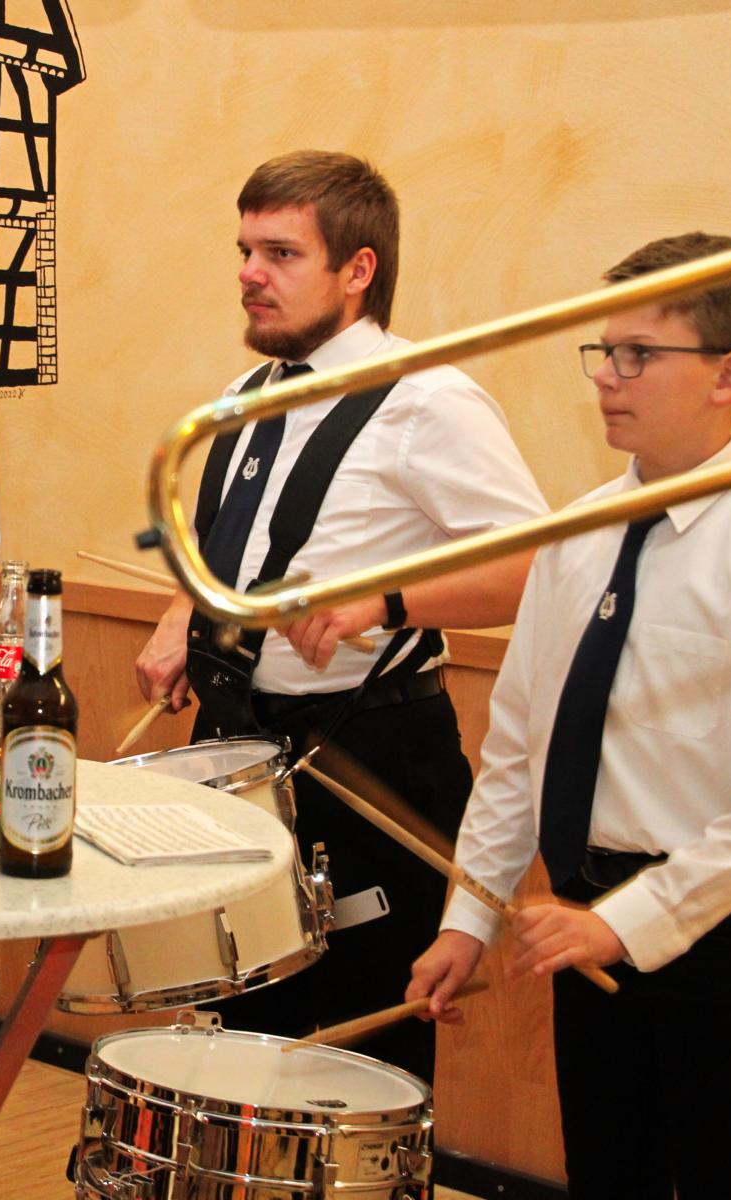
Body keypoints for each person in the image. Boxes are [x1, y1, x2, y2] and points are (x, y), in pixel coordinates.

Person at [406, 233, 731, 1199]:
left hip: (719, 933)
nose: (606, 375)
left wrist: (628, 924)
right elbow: (517, 752)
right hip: (579, 915)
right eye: (603, 351)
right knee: (607, 1176)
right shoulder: (575, 537)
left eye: (638, 354)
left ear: (730, 375)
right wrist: (468, 921)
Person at [134, 150, 546, 1081]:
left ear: (359, 269)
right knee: (238, 1056)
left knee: (358, 1073)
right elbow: (222, 554)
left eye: (280, 254)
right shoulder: (244, 399)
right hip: (239, 756)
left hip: (368, 760)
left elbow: (537, 567)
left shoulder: (428, 400)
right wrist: (178, 620)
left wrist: (387, 602)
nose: (250, 274)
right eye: (245, 251)